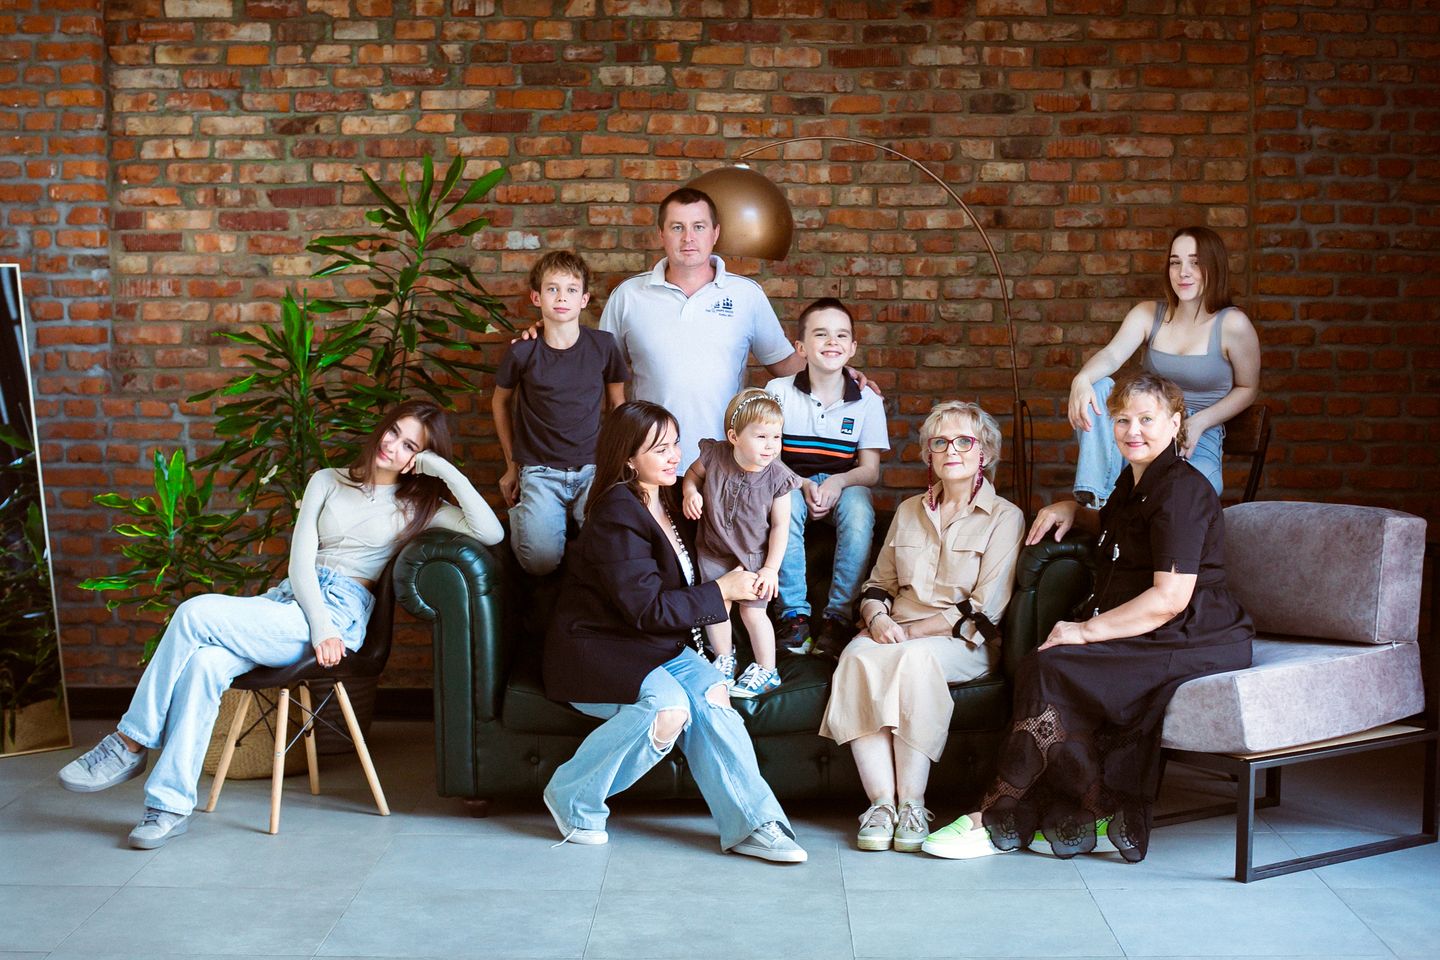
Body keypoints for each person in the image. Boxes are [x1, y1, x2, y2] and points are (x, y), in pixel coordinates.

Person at [58, 401, 504, 849]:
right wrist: (317, 622)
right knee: (204, 664)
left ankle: (128, 743)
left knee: (193, 612)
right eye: (393, 432)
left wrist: (442, 469)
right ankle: (169, 806)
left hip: (341, 613)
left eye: (410, 446)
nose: (393, 446)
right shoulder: (327, 480)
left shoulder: (418, 506)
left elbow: (491, 533)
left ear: (419, 458)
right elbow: (300, 563)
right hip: (291, 601)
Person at [922, 373, 1254, 862]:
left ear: (1175, 422)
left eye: (1146, 419)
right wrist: (1073, 510)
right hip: (1156, 626)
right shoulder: (1136, 480)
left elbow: (1170, 598)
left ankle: (997, 815)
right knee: (1044, 662)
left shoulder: (1181, 492)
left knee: (1053, 666)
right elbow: (1124, 529)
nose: (1132, 430)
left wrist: (1085, 631)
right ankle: (1087, 805)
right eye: (1122, 420)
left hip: (1193, 634)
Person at [542, 401, 807, 862]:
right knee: (669, 710)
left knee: (713, 694)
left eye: (675, 445)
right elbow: (646, 608)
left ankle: (752, 824)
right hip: (597, 646)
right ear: (628, 458)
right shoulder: (616, 513)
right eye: (659, 449)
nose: (674, 457)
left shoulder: (668, 497)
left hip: (654, 644)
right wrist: (723, 589)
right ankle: (571, 795)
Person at [819, 401, 1023, 853]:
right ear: (928, 453)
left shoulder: (1005, 516)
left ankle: (913, 804)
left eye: (964, 441)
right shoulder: (910, 510)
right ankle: (881, 805)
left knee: (911, 660)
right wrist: (877, 618)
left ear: (985, 452)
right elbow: (878, 584)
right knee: (856, 657)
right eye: (940, 442)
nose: (952, 450)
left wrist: (910, 632)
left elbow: (985, 609)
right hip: (895, 632)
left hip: (961, 641)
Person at [599, 186, 802, 471]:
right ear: (660, 234)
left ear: (715, 233)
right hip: (650, 463)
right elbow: (601, 369)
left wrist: (838, 373)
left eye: (698, 226)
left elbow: (785, 364)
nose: (688, 237)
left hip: (725, 462)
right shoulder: (628, 295)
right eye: (677, 227)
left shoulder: (747, 295)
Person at [1068, 226, 1259, 505]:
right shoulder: (1149, 314)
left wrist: (1200, 422)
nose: (1183, 272)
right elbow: (1111, 356)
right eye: (1175, 262)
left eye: (1195, 262)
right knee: (1097, 386)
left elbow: (1248, 388)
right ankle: (1098, 502)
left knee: (1181, 496)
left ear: (1214, 267)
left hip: (1194, 440)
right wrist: (1081, 379)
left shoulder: (1232, 324)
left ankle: (1115, 508)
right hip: (1145, 428)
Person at [764, 298, 889, 659]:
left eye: (841, 335)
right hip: (791, 481)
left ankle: (838, 618)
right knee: (784, 504)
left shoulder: (867, 400)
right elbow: (769, 458)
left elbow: (870, 470)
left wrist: (837, 483)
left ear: (852, 348)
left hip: (844, 485)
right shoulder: (778, 392)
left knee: (860, 510)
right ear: (801, 347)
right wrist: (802, 484)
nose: (832, 342)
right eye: (821, 334)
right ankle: (793, 617)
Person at [492, 250, 629, 575]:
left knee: (608, 552)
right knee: (539, 563)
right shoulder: (523, 351)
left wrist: (618, 463)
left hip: (593, 467)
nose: (562, 297)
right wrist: (512, 465)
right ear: (536, 297)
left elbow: (618, 405)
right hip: (539, 470)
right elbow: (499, 402)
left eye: (571, 289)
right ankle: (529, 516)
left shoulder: (603, 346)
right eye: (552, 289)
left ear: (584, 299)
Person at [681, 388, 801, 698]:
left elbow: (781, 526)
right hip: (714, 550)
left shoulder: (778, 477)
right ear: (734, 436)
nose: (771, 445)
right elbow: (692, 475)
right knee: (716, 606)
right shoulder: (714, 455)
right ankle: (724, 660)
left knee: (752, 612)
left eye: (776, 437)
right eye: (761, 437)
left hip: (753, 557)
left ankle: (767, 669)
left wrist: (770, 569)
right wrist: (690, 492)